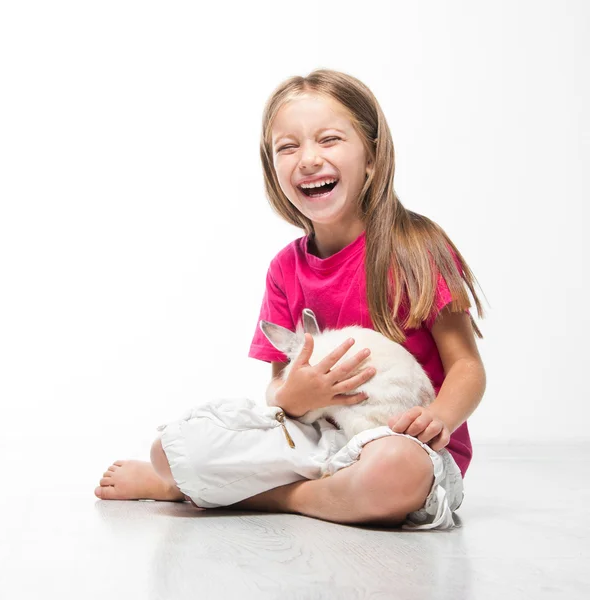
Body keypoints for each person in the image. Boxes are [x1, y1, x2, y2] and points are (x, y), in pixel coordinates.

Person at [95, 68, 486, 529]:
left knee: (393, 473)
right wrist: (296, 397)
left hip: (403, 445)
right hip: (316, 438)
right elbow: (279, 391)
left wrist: (440, 416)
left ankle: (254, 495)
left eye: (329, 139)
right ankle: (292, 491)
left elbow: (467, 366)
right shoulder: (286, 268)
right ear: (272, 168)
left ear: (373, 159)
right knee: (171, 448)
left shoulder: (417, 247)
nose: (308, 159)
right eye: (288, 146)